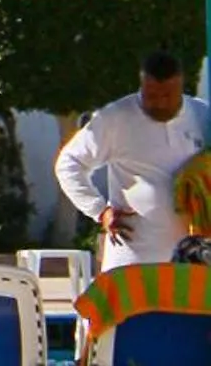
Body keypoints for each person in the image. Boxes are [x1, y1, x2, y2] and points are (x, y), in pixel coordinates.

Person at [56, 52, 211, 269]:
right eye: (152, 95)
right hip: (132, 261)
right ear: (142, 84)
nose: (160, 103)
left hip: (190, 262)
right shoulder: (115, 118)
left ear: (181, 85)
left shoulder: (203, 115)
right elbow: (69, 164)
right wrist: (100, 210)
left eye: (168, 95)